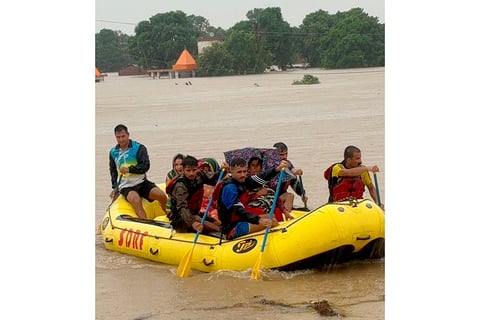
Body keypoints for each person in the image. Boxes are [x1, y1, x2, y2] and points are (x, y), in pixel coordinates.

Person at [216, 157, 288, 240]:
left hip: (240, 221)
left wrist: (277, 169)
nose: (243, 175)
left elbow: (262, 177)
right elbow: (238, 210)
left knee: (272, 217)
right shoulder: (229, 188)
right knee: (273, 222)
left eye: (244, 171)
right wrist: (259, 220)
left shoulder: (244, 181)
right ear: (231, 172)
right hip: (233, 228)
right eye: (239, 172)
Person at [109, 124, 167, 219]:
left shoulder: (139, 148)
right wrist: (115, 187)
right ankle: (146, 224)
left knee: (161, 195)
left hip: (142, 182)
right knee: (135, 200)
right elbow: (112, 171)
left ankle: (168, 216)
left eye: (123, 136)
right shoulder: (113, 152)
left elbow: (145, 166)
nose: (121, 140)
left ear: (128, 134)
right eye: (118, 137)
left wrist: (129, 169)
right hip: (126, 186)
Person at [166, 155, 225, 234]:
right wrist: (192, 223)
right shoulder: (180, 186)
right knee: (197, 218)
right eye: (188, 170)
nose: (191, 173)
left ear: (197, 168)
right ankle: (221, 232)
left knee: (217, 222)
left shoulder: (199, 175)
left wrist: (223, 171)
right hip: (180, 218)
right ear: (183, 170)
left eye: (194, 170)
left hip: (195, 213)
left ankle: (221, 228)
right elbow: (182, 208)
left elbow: (214, 179)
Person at [245, 156, 294, 221]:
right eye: (253, 165)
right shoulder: (247, 181)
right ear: (248, 169)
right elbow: (243, 199)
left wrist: (284, 211)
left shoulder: (266, 183)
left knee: (277, 210)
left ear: (261, 168)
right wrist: (256, 195)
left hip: (268, 206)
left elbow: (275, 196)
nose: (255, 168)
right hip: (255, 208)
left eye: (258, 165)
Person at [271, 142, 308, 212]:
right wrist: (293, 171)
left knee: (289, 195)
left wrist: (303, 194)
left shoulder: (287, 163)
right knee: (290, 196)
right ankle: (284, 217)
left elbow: (294, 182)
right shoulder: (269, 165)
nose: (284, 157)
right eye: (281, 155)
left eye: (286, 154)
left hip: (281, 196)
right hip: (271, 198)